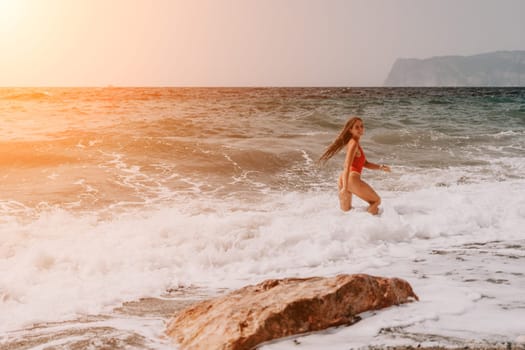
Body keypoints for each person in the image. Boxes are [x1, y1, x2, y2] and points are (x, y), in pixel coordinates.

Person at [318, 116, 390, 215]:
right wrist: (345, 188)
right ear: (350, 130)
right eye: (357, 127)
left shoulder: (352, 142)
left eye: (362, 126)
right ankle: (367, 226)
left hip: (343, 179)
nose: (360, 129)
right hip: (351, 179)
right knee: (376, 201)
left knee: (346, 213)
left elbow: (365, 163)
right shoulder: (354, 143)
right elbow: (347, 165)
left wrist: (380, 167)